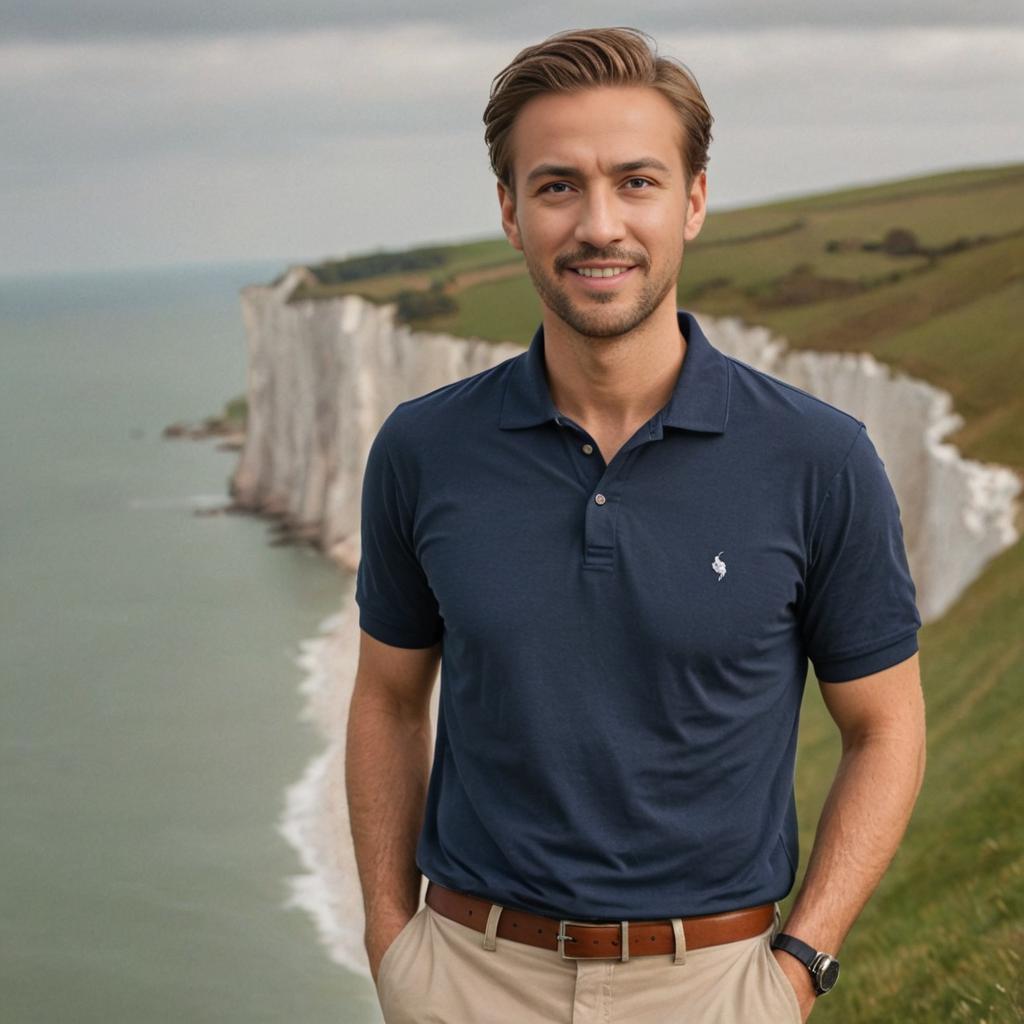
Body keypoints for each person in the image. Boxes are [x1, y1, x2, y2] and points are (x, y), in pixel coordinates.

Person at [345, 26, 926, 1024]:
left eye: (637, 182)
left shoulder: (818, 458)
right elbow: (389, 701)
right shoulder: (422, 447)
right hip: (465, 978)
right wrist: (392, 940)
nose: (598, 223)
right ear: (509, 211)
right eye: (558, 185)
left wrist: (798, 966)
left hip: (714, 987)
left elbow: (885, 725)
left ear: (692, 201)